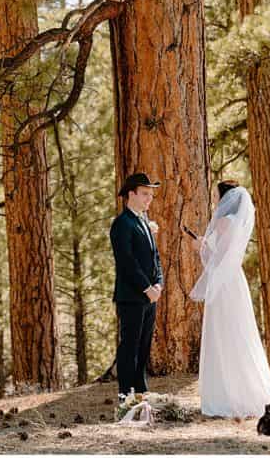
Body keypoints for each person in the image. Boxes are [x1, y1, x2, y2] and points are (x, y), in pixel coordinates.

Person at [189, 182, 270, 417]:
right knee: (237, 331)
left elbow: (215, 256)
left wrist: (199, 246)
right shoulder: (237, 222)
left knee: (222, 332)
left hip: (223, 281)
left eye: (216, 196)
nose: (215, 200)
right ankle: (239, 388)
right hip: (234, 279)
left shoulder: (223, 221)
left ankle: (224, 393)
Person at [109, 172, 163, 401]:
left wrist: (159, 283)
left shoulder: (143, 221)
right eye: (144, 194)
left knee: (144, 345)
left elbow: (155, 257)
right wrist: (146, 287)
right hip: (131, 296)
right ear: (131, 194)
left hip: (150, 296)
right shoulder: (122, 223)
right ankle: (126, 395)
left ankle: (141, 391)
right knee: (129, 346)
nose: (149, 198)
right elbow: (126, 261)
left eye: (151, 195)